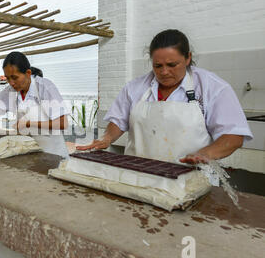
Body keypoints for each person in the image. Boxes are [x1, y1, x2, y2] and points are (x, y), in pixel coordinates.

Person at [77, 29, 253, 165]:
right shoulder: (136, 88)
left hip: (190, 178)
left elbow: (233, 135)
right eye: (157, 65)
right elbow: (118, 121)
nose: (164, 72)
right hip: (138, 175)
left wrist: (206, 154)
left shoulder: (212, 87)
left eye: (172, 64)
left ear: (188, 58)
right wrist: (106, 138)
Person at [0, 51, 70, 158]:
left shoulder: (45, 87)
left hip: (53, 152)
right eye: (7, 78)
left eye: (14, 77)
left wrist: (28, 123)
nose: (11, 83)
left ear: (28, 73)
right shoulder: (9, 92)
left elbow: (62, 123)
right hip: (29, 150)